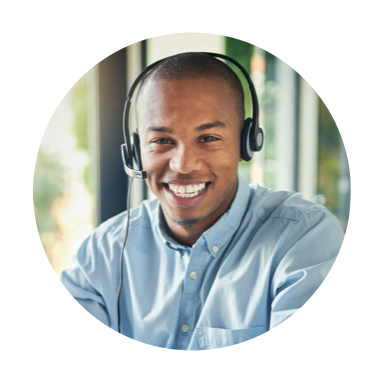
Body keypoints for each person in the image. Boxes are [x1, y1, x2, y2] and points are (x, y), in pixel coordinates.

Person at [60, 52, 345, 350]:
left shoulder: (304, 238)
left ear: (246, 142)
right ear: (135, 151)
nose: (183, 166)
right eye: (162, 141)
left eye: (208, 138)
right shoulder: (104, 251)